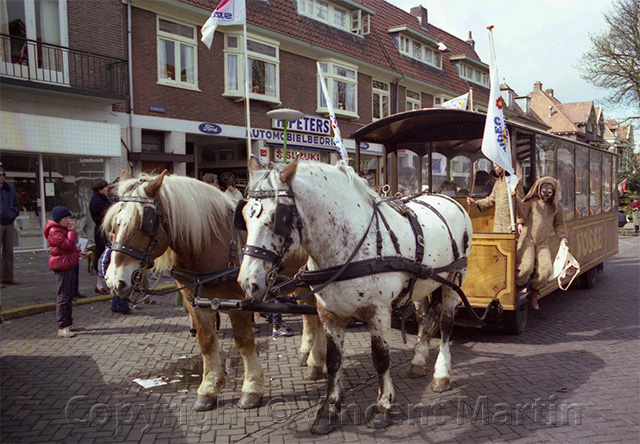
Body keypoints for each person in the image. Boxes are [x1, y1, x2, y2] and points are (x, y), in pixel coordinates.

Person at [515, 176, 569, 310]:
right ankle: (517, 289)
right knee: (525, 267)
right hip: (528, 239)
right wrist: (516, 202)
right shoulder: (532, 202)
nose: (546, 195)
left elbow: (560, 224)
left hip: (543, 243)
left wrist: (563, 237)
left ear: (554, 193)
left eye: (549, 192)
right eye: (544, 191)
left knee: (546, 270)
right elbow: (521, 212)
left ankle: (534, 293)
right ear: (539, 190)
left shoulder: (556, 207)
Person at [44, 206, 89, 338]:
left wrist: (79, 253)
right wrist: (72, 231)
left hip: (68, 263)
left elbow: (68, 249)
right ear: (61, 219)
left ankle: (69, 323)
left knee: (68, 295)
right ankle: (62, 326)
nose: (70, 220)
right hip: (62, 266)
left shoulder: (62, 230)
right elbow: (68, 245)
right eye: (67, 218)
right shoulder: (54, 231)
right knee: (63, 296)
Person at [467, 164, 524, 233]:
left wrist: (521, 222)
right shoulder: (498, 182)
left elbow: (520, 202)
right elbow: (492, 199)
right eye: (494, 167)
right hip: (498, 223)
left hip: (510, 223)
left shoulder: (514, 182)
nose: (495, 169)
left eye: (496, 166)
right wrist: (476, 203)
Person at [89, 178, 111, 295]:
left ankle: (105, 282)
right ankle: (99, 284)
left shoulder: (103, 198)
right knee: (102, 255)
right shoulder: (97, 202)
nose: (107, 189)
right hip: (102, 231)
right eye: (105, 188)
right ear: (100, 189)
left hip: (105, 230)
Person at [0, 166, 20, 288]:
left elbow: (15, 205)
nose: (1, 177)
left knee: (8, 252)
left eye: (2, 175)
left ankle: (8, 278)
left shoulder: (10, 190)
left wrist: (13, 214)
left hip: (9, 222)